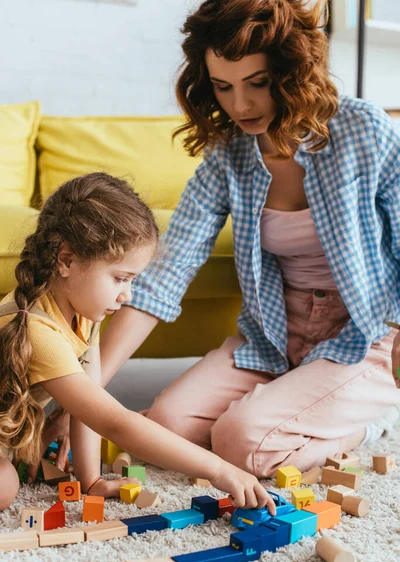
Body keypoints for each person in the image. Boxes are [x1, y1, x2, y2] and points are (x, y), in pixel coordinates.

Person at [100, 0, 400, 479]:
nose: (239, 105)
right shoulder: (228, 158)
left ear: (290, 74)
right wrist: (88, 390)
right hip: (276, 335)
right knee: (165, 426)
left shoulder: (364, 130)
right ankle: (296, 398)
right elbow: (163, 276)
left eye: (257, 84)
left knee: (243, 443)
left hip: (364, 337)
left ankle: (372, 423)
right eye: (223, 87)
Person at [0, 172, 275, 514]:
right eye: (119, 278)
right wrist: (220, 469)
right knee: (5, 487)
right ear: (66, 260)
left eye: (132, 280)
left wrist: (91, 481)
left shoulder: (83, 309)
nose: (126, 295)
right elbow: (116, 423)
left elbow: (94, 403)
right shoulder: (38, 330)